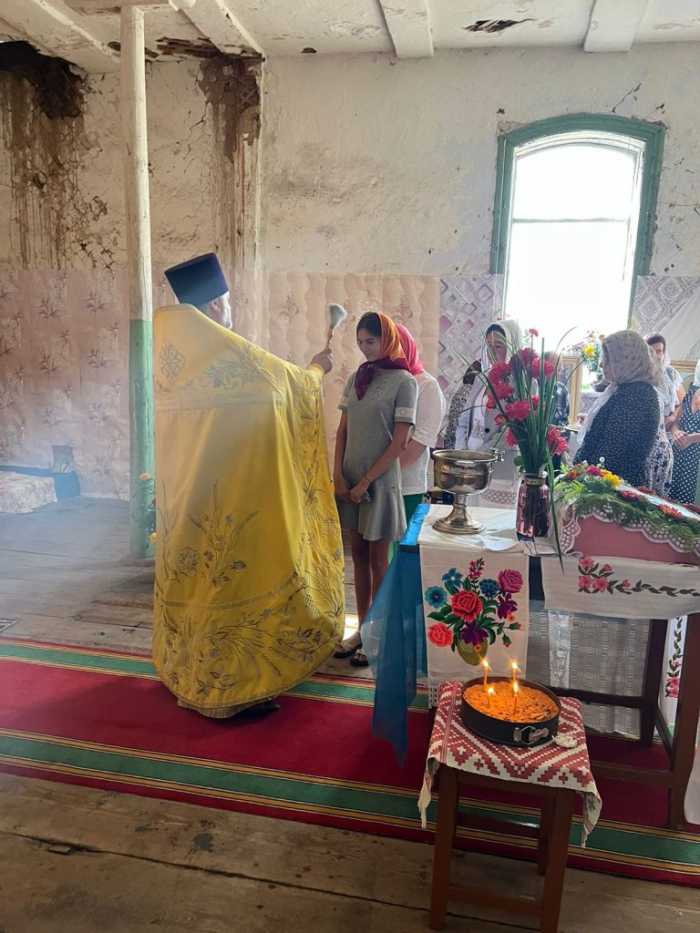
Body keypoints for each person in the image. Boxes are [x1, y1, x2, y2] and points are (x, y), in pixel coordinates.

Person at [152, 253, 344, 718]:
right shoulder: (236, 359)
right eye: (228, 301)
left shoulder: (167, 359)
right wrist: (317, 369)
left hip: (186, 501)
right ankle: (230, 695)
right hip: (238, 503)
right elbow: (291, 388)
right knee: (230, 591)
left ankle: (190, 678)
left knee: (197, 589)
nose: (230, 311)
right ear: (216, 306)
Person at [333, 312, 417, 666]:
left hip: (379, 483)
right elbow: (342, 431)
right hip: (351, 480)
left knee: (379, 560)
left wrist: (367, 480)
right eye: (360, 342)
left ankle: (377, 636)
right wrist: (338, 475)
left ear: (388, 339)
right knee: (358, 558)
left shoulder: (405, 382)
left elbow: (400, 442)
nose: (366, 349)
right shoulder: (357, 378)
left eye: (371, 341)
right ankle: (361, 628)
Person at [574, 330, 661, 488]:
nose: (601, 364)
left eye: (608, 359)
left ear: (625, 361)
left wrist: (582, 478)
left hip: (612, 487)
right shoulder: (625, 389)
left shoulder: (637, 395)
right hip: (605, 483)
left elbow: (610, 453)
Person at [395, 323, 446, 526]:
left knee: (401, 541)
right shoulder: (379, 380)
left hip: (406, 484)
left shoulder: (426, 386)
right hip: (375, 482)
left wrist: (380, 476)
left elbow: (420, 441)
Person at [669, 360, 700, 503]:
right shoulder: (691, 392)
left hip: (695, 458)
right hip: (676, 451)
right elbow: (676, 421)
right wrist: (676, 432)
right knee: (666, 496)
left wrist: (692, 438)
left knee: (684, 504)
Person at [647, 333, 685, 430]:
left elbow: (684, 402)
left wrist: (673, 417)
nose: (655, 355)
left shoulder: (671, 373)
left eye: (659, 351)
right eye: (651, 351)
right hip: (649, 428)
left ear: (663, 353)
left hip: (671, 427)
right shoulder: (638, 377)